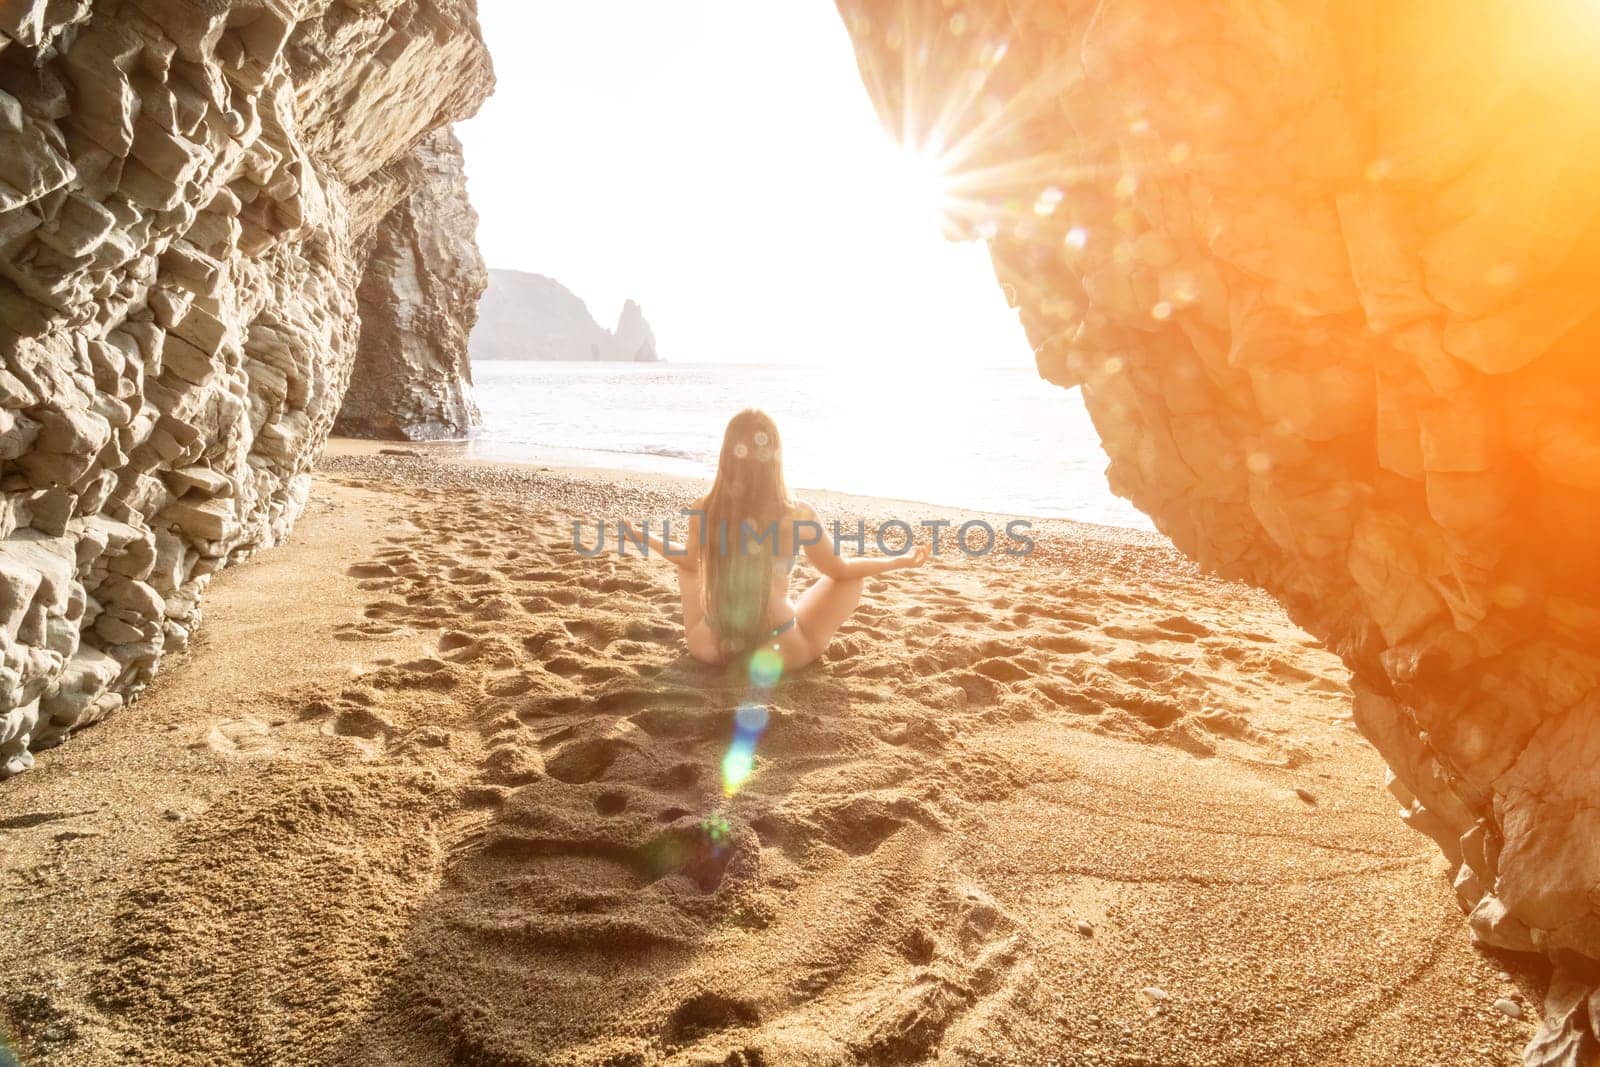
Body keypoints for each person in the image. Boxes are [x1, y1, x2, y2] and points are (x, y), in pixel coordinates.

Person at [623, 408, 930, 669]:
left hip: (712, 648)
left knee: (689, 567)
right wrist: (899, 561)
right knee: (851, 581)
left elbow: (689, 561)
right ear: (775, 457)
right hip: (779, 651)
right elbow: (841, 570)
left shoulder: (705, 508)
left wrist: (643, 535)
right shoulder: (797, 514)